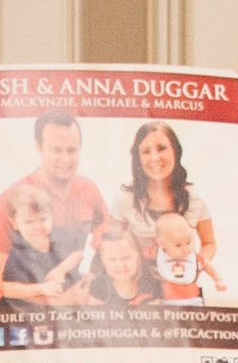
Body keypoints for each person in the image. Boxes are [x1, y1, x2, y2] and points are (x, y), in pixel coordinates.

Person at [0, 110, 106, 305]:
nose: (65, 159)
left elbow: (108, 238)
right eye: (56, 150)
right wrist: (53, 297)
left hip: (74, 306)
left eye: (72, 150)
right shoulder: (10, 199)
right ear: (38, 148)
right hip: (29, 310)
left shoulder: (89, 190)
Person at [113, 120, 217, 265]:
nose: (154, 158)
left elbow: (209, 243)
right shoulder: (125, 198)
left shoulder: (194, 197)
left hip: (180, 281)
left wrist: (195, 267)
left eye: (162, 148)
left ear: (175, 151)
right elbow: (112, 245)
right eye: (146, 151)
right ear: (138, 157)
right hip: (139, 283)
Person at [0, 183, 87, 306]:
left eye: (43, 219)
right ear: (14, 223)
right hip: (28, 305)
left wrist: (61, 270)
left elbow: (78, 253)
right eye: (29, 222)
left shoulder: (59, 234)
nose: (38, 227)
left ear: (51, 216)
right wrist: (42, 288)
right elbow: (5, 288)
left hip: (64, 298)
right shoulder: (13, 252)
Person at [80, 220, 163, 309]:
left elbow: (158, 317)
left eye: (126, 258)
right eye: (112, 260)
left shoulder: (151, 283)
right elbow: (96, 320)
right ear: (102, 262)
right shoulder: (99, 287)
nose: (120, 265)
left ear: (138, 256)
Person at [152, 209, 226, 304]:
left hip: (193, 299)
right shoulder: (157, 256)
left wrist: (218, 280)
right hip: (167, 301)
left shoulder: (193, 257)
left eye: (188, 242)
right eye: (178, 245)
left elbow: (207, 265)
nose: (186, 249)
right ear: (161, 244)